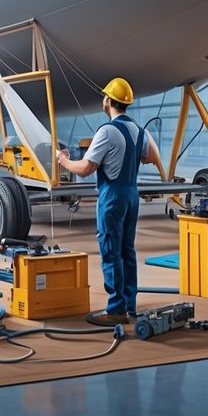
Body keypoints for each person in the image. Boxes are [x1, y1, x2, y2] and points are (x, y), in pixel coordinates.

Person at [56, 77, 162, 326]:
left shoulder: (107, 131)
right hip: (132, 195)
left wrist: (62, 160)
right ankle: (129, 304)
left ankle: (115, 309)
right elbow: (153, 157)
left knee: (110, 251)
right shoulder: (137, 130)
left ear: (108, 101)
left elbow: (84, 168)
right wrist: (142, 137)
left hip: (113, 196)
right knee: (127, 251)